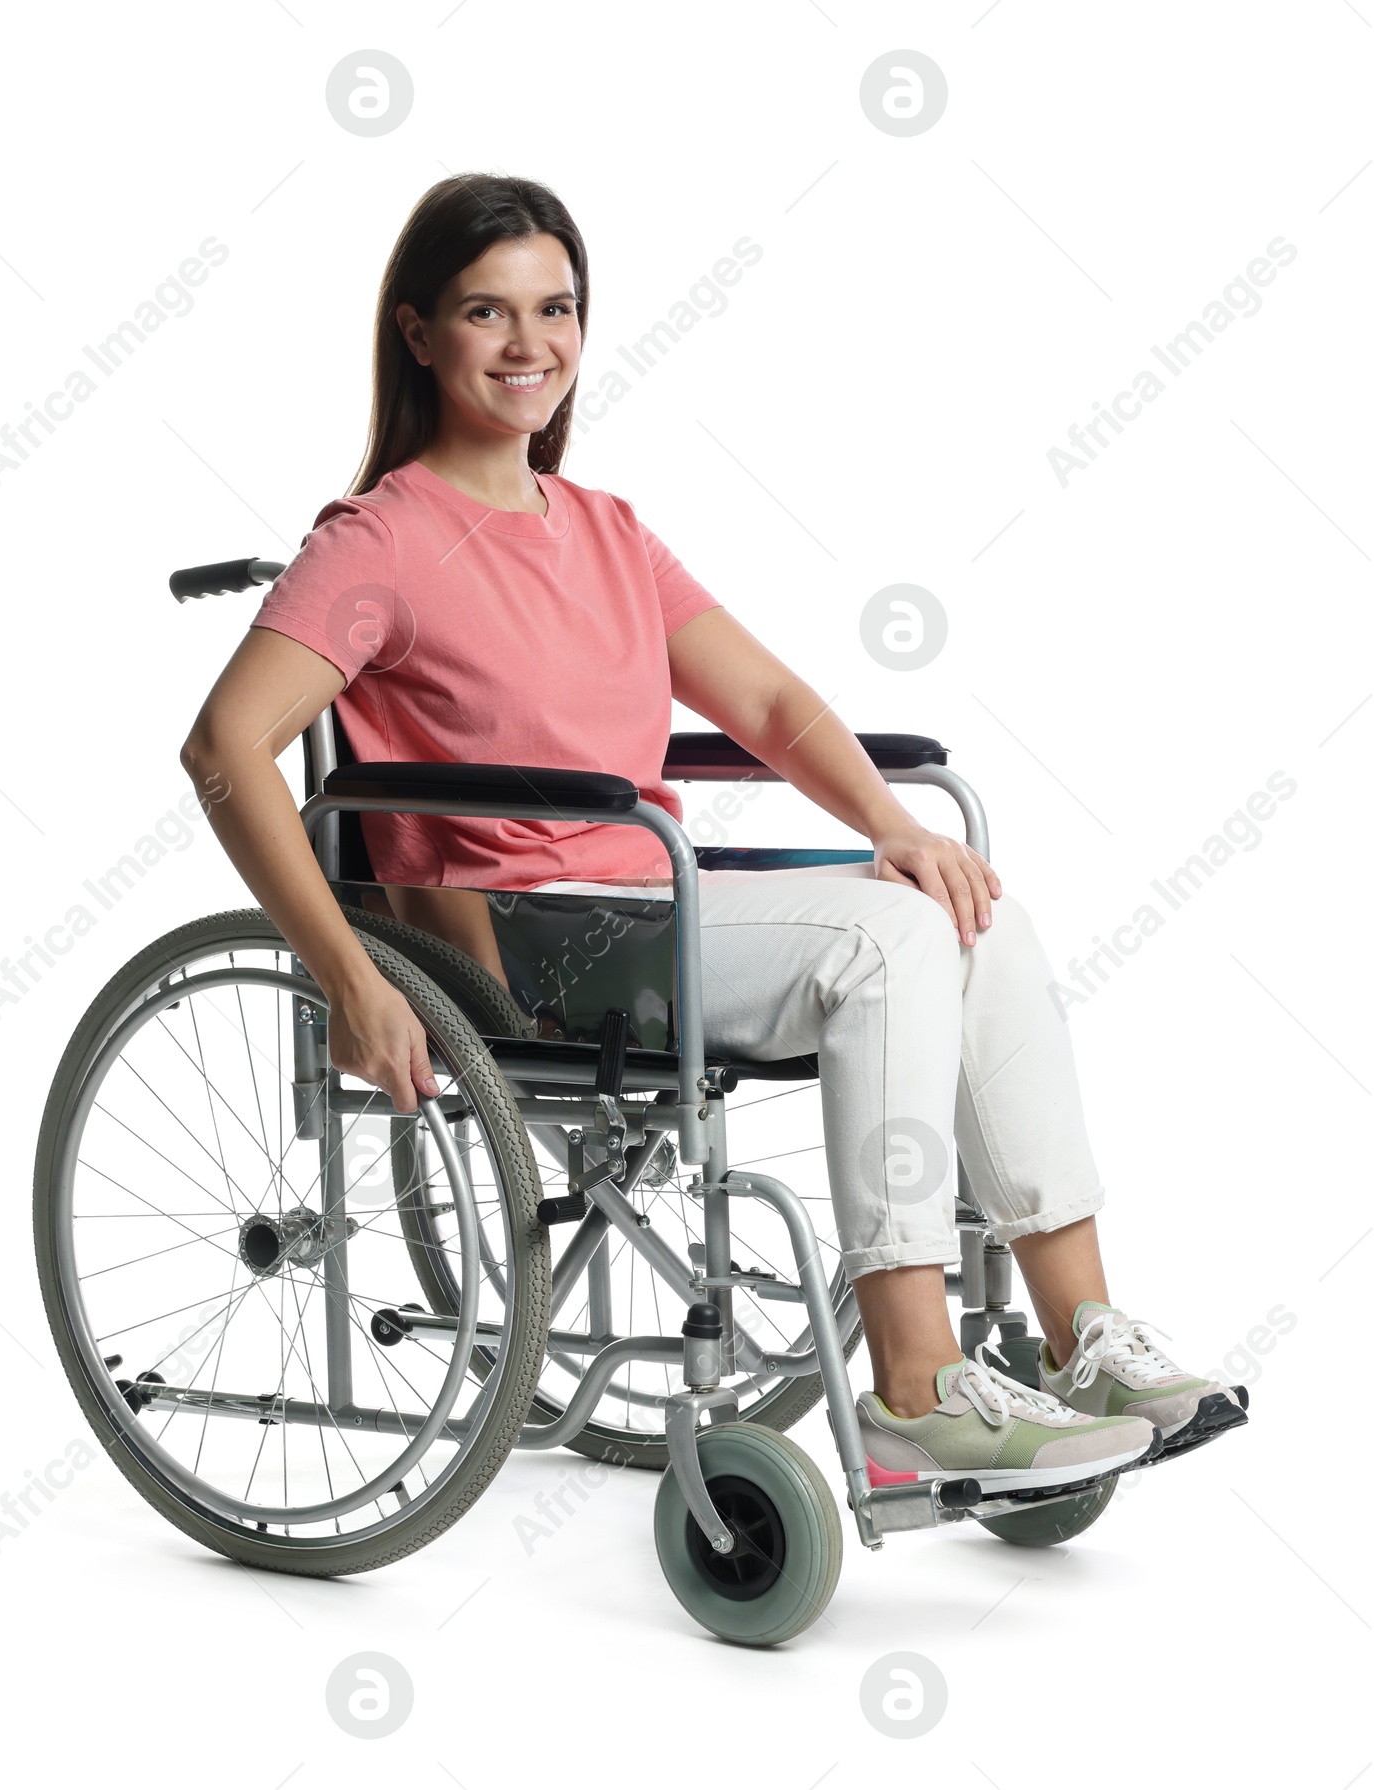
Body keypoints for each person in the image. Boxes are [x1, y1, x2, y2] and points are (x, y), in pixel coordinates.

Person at [180, 173, 1246, 1501]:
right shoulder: (380, 540)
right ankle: (915, 1386)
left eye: (556, 307)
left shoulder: (606, 529)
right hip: (527, 939)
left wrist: (893, 826)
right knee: (883, 946)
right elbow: (225, 745)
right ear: (418, 334)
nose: (532, 345)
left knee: (973, 909)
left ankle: (1085, 1337)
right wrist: (346, 972)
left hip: (644, 905)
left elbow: (772, 703)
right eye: (487, 311)